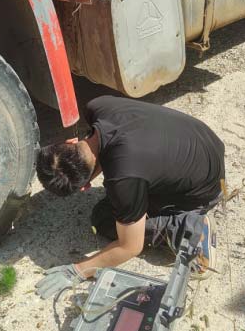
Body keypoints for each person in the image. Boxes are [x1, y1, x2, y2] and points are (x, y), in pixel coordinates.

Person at [35, 96, 225, 299]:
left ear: (84, 186)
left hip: (205, 188)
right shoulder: (97, 106)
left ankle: (189, 228)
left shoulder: (124, 178)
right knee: (123, 202)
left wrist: (78, 271)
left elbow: (130, 247)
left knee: (105, 219)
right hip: (205, 144)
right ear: (70, 142)